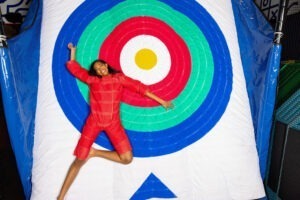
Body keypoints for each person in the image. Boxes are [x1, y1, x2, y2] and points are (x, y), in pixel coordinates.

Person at [57, 43, 174, 199]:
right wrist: (73, 51)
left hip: (113, 123)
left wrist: (162, 101)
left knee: (127, 158)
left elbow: (139, 88)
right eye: (97, 70)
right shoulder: (93, 81)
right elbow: (75, 69)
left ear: (106, 65)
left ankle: (95, 153)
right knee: (79, 159)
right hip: (94, 122)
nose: (100, 70)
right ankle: (60, 197)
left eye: (101, 66)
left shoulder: (119, 78)